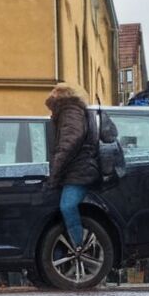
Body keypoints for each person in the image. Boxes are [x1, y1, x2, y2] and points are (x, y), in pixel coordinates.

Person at [45, 82, 100, 252]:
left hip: (79, 170)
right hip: (76, 169)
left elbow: (69, 142)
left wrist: (55, 170)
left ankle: (79, 247)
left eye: (55, 91)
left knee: (67, 206)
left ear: (62, 94)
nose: (51, 93)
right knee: (63, 210)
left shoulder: (70, 111)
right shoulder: (67, 111)